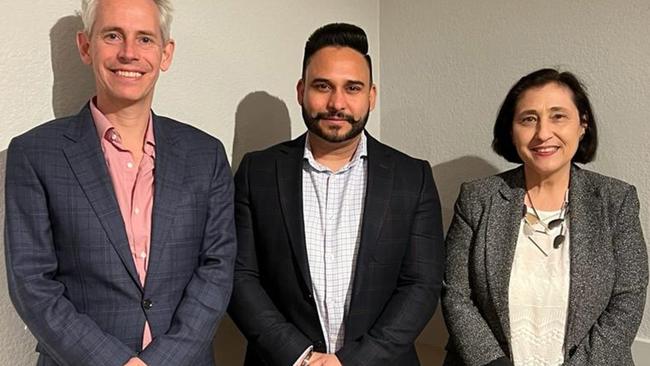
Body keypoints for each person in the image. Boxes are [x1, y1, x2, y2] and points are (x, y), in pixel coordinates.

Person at [4, 0, 236, 365]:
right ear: (85, 45)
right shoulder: (34, 155)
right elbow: (32, 283)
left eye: (145, 39)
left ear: (165, 53)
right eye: (113, 35)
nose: (129, 53)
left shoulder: (206, 155)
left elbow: (218, 268)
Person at [228, 23, 445, 366]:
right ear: (301, 91)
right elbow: (240, 277)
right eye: (323, 86)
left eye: (352, 88)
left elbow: (422, 284)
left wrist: (353, 361)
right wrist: (299, 356)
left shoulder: (411, 177)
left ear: (371, 96)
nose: (336, 102)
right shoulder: (257, 172)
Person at [442, 68, 648, 365]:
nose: (542, 133)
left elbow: (627, 298)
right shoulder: (479, 198)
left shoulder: (616, 200)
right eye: (528, 119)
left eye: (558, 116)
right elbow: (456, 295)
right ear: (511, 131)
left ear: (582, 125)